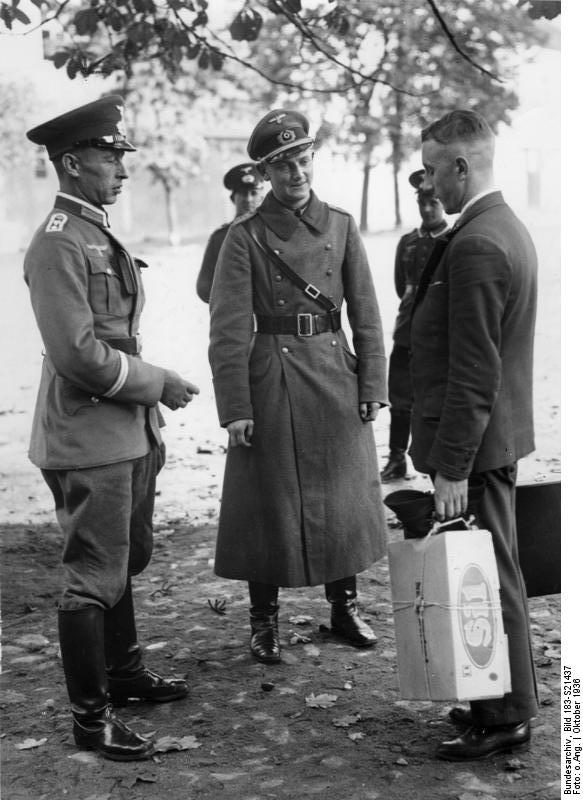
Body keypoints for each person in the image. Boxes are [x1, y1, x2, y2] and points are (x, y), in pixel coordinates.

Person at [24, 95, 199, 762]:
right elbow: (77, 354)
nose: (122, 170)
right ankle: (89, 720)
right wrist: (157, 382)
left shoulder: (96, 231)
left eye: (122, 156)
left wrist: (147, 399)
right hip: (87, 435)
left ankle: (123, 675)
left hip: (124, 429)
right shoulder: (58, 243)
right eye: (109, 157)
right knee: (92, 574)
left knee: (124, 558)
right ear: (72, 163)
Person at [208, 108, 387, 664]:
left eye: (302, 159)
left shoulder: (341, 224)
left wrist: (372, 383)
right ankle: (264, 620)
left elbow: (368, 312)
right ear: (264, 172)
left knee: (343, 494)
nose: (296, 173)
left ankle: (344, 606)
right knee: (268, 499)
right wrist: (235, 406)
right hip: (273, 376)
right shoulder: (247, 237)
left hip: (334, 369)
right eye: (282, 165)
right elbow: (228, 331)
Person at [409, 109, 538, 760]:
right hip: (490, 438)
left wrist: (451, 465)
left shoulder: (480, 242)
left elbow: (473, 371)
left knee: (485, 579)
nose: (427, 183)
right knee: (486, 575)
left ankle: (507, 716)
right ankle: (494, 703)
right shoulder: (497, 227)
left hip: (476, 446)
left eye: (432, 169)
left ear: (461, 166)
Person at [380, 170, 449, 483]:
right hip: (407, 331)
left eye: (433, 201)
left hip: (438, 337)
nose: (427, 208)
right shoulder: (408, 242)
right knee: (399, 399)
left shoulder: (453, 239)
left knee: (436, 401)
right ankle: (396, 459)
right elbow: (400, 286)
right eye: (422, 201)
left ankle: (439, 463)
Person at [196, 163, 264, 303]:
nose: (248, 199)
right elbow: (204, 288)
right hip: (234, 313)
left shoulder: (274, 232)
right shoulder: (220, 238)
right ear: (233, 199)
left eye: (254, 193)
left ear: (262, 197)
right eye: (243, 193)